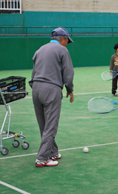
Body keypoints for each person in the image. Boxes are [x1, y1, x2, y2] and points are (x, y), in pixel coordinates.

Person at [29, 27, 74, 167]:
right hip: (51, 89)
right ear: (63, 39)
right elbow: (68, 72)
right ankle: (42, 158)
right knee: (51, 125)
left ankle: (52, 152)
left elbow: (34, 71)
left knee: (44, 124)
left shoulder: (40, 49)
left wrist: (36, 87)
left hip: (36, 88)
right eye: (67, 41)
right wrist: (70, 89)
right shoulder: (62, 50)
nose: (67, 44)